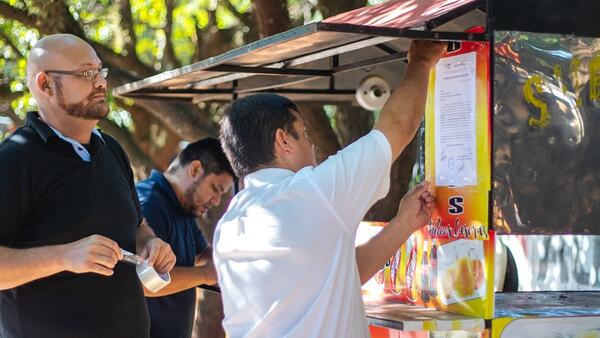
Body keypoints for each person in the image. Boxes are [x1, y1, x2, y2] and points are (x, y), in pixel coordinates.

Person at [214, 40, 446, 338]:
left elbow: (345, 274)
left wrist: (404, 224)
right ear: (283, 140)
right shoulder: (312, 193)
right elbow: (399, 124)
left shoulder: (231, 222)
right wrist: (422, 62)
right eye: (304, 133)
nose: (311, 145)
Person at [0, 34, 176, 338]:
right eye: (86, 73)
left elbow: (137, 225)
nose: (100, 83)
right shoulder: (13, 160)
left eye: (100, 71)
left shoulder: (112, 149)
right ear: (45, 85)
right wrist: (64, 256)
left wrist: (149, 243)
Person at [136, 138, 235, 338]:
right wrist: (206, 275)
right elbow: (146, 282)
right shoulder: (150, 204)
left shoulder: (183, 207)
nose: (216, 201)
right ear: (195, 169)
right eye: (216, 189)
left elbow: (203, 255)